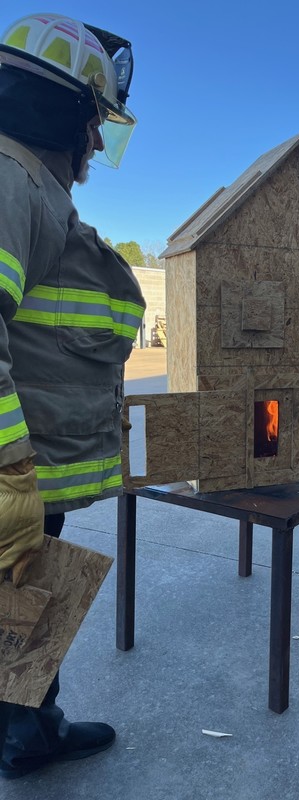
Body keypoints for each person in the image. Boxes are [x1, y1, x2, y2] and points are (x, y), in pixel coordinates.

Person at [0, 12, 145, 779]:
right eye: (94, 121)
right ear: (64, 104)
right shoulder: (12, 176)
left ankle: (29, 731)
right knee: (16, 599)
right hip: (15, 469)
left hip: (30, 464)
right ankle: (26, 735)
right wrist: (12, 467)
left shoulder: (28, 180)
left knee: (26, 601)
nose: (95, 143)